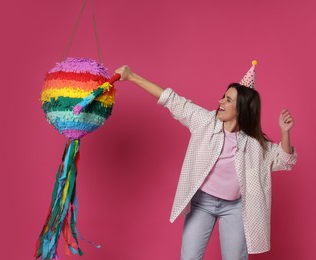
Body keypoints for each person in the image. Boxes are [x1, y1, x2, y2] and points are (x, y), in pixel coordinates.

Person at [114, 62, 297, 260]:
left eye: (228, 100)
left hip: (235, 208)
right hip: (202, 203)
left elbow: (283, 160)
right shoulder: (205, 121)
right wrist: (133, 77)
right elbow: (171, 99)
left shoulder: (254, 144)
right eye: (223, 96)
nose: (220, 101)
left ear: (242, 109)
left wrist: (285, 133)